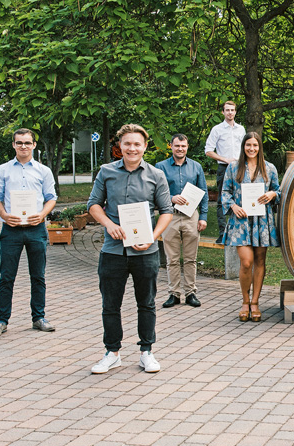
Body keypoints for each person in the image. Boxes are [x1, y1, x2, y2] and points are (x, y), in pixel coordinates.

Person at [87, 124, 173, 374]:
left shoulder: (156, 175)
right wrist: (109, 224)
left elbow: (166, 211)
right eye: (127, 144)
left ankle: (147, 351)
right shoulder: (106, 172)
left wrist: (153, 237)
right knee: (110, 304)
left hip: (145, 252)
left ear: (145, 146)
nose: (132, 148)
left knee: (146, 303)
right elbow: (94, 204)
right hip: (113, 251)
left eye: (137, 144)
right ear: (119, 147)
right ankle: (112, 352)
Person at [0, 129, 57, 337]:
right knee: (6, 277)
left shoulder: (43, 171)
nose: (23, 146)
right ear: (13, 145)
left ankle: (39, 318)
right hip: (11, 230)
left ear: (34, 145)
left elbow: (51, 197)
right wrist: (5, 215)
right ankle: (1, 321)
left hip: (36, 229)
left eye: (27, 142)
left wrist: (43, 214)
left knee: (38, 276)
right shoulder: (2, 170)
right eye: (19, 143)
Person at [221, 132, 280, 322]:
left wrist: (272, 194)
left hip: (262, 221)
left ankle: (255, 302)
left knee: (260, 260)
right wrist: (233, 206)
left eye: (255, 145)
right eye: (248, 145)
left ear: (259, 147)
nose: (252, 149)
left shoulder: (269, 168)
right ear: (243, 147)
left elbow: (278, 190)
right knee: (246, 262)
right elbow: (225, 192)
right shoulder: (233, 168)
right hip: (241, 220)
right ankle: (245, 301)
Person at [156, 134, 209, 309]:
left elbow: (203, 193)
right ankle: (174, 294)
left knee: (190, 258)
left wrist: (203, 217)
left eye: (183, 146)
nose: (180, 149)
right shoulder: (160, 167)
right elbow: (156, 193)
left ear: (187, 147)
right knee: (171, 258)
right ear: (170, 146)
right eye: (177, 146)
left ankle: (190, 292)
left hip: (190, 216)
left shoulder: (196, 167)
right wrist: (172, 198)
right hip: (169, 215)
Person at [205, 100, 245, 243]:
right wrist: (225, 159)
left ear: (235, 112)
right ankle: (223, 234)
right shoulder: (217, 129)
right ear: (223, 112)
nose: (230, 113)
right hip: (224, 167)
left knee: (241, 198)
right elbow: (208, 151)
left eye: (232, 110)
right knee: (222, 201)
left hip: (240, 168)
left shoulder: (241, 129)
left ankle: (239, 232)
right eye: (227, 110)